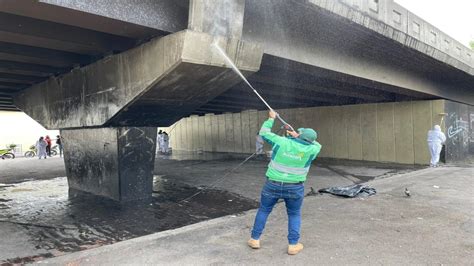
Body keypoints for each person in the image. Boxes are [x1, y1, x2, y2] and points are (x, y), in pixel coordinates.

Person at [248, 110, 322, 255]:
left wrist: (271, 119)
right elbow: (316, 143)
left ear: (300, 135)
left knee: (264, 210)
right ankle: (293, 245)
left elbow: (263, 132)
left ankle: (255, 239)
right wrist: (298, 135)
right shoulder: (313, 149)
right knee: (294, 214)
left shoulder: (281, 142)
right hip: (295, 188)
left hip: (273, 184)